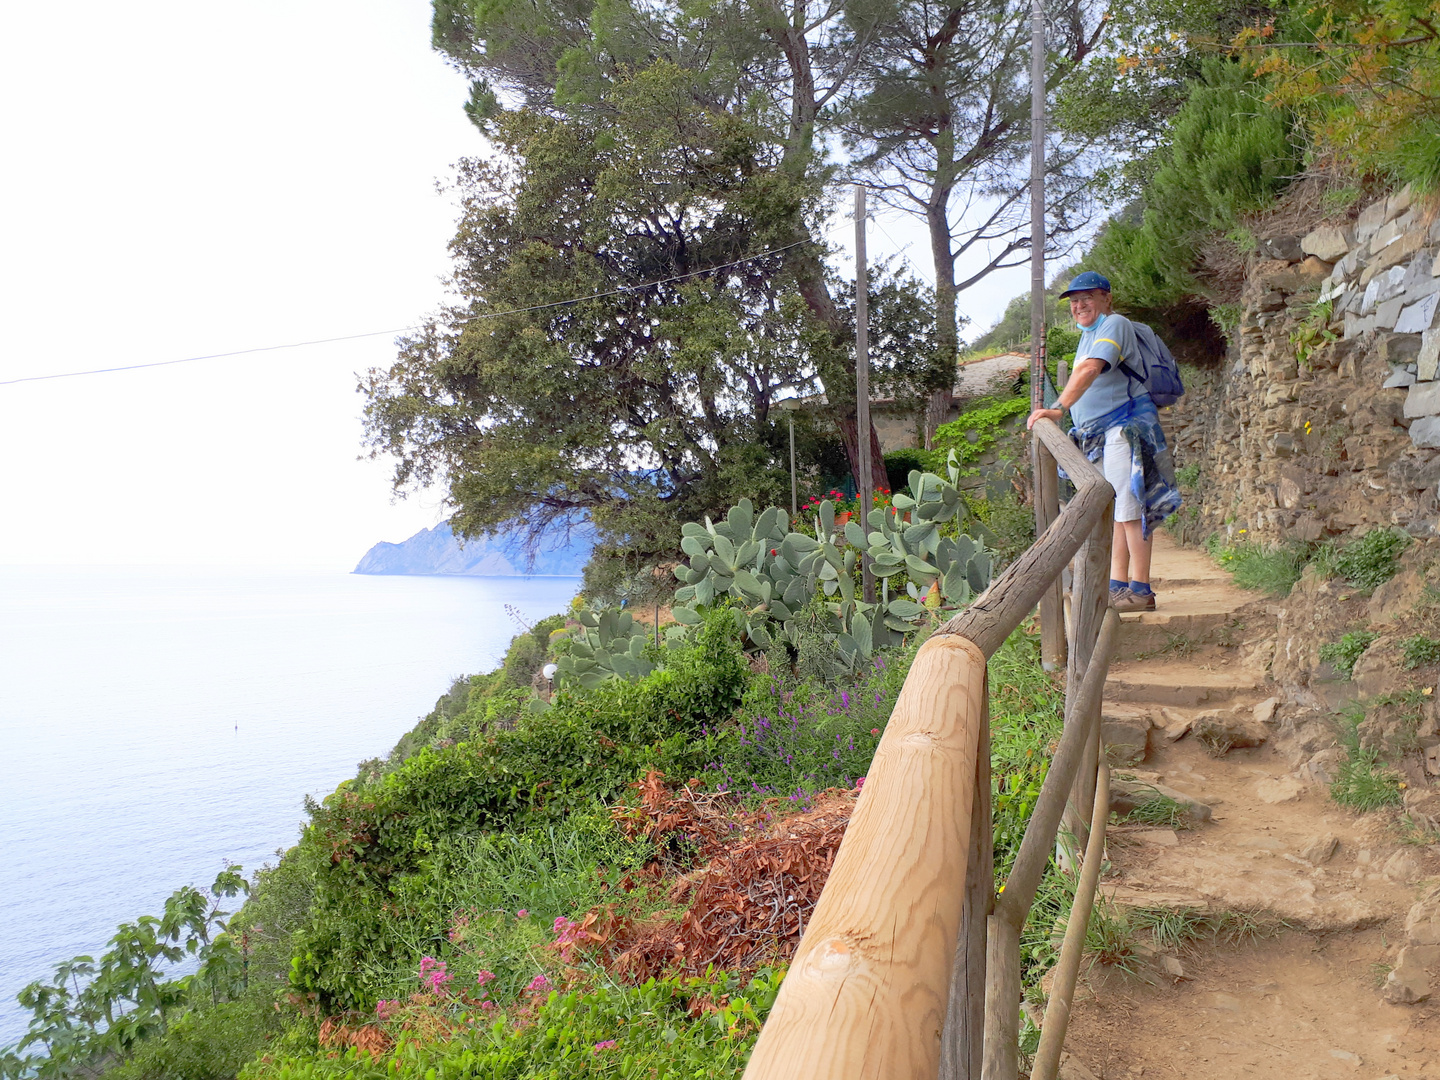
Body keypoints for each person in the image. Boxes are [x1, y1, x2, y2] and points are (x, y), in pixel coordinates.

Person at [1026, 271, 1182, 613]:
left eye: (1088, 298)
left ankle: (1140, 590)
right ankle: (1117, 585)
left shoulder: (1115, 324)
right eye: (1074, 301)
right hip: (1102, 433)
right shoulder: (1088, 334)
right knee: (1115, 512)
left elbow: (1090, 370)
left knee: (1129, 508)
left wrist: (1056, 409)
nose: (1080, 305)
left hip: (1125, 427)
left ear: (1106, 298)